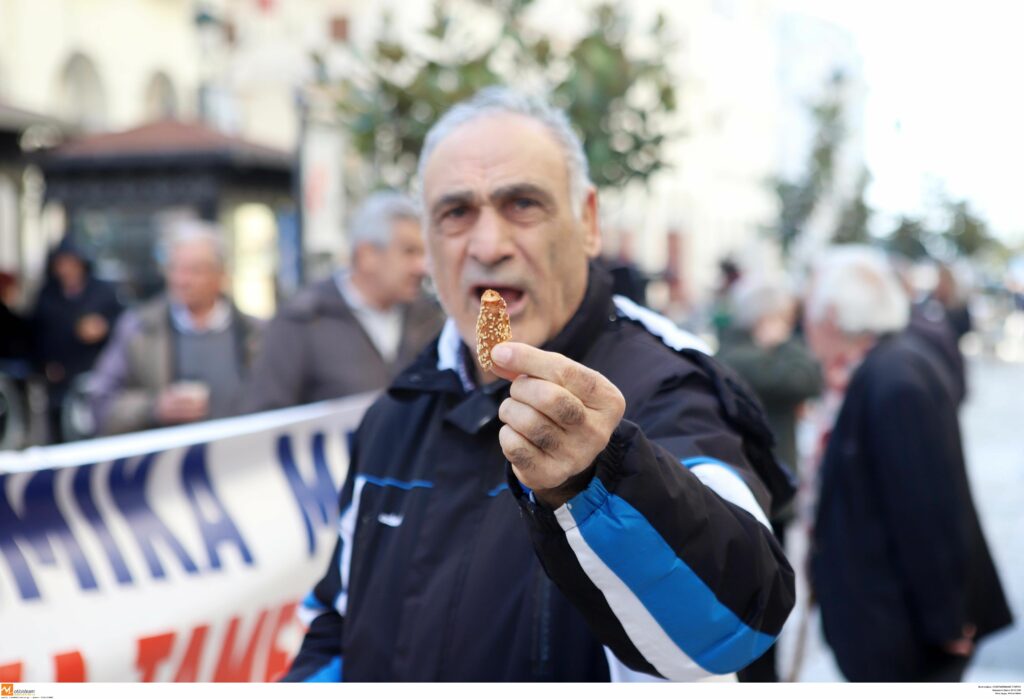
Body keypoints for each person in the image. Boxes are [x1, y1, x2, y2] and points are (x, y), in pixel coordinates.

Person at [282, 87, 795, 682]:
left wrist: (598, 478)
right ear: (426, 241)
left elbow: (738, 621)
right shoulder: (399, 409)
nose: (489, 246)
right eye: (456, 213)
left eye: (522, 204)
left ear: (588, 223)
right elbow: (339, 621)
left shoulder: (669, 387)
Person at [804, 246, 1012, 682]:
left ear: (835, 317)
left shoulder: (895, 380)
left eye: (811, 309)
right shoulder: (878, 368)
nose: (803, 322)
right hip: (884, 620)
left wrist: (947, 619)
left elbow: (929, 509)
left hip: (900, 633)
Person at [241, 191, 443, 412]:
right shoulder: (302, 320)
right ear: (367, 255)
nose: (422, 267)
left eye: (424, 253)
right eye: (409, 252)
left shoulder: (429, 318)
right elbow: (267, 415)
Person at [716, 276, 822, 682]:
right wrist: (779, 344)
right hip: (752, 492)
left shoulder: (759, 350)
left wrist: (778, 343)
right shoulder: (740, 354)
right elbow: (799, 378)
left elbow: (806, 377)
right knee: (757, 595)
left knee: (767, 592)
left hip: (769, 491)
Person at [88, 221, 262, 435]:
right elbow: (99, 406)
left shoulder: (255, 333)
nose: (181, 280)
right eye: (174, 268)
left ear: (221, 276)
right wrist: (153, 408)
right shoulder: (139, 330)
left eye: (194, 270)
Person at [29, 239, 123, 442]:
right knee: (59, 431)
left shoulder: (102, 291)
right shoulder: (48, 294)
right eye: (61, 264)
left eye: (71, 263)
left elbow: (124, 324)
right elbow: (37, 333)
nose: (66, 270)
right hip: (60, 376)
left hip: (97, 371)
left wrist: (103, 327)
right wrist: (45, 366)